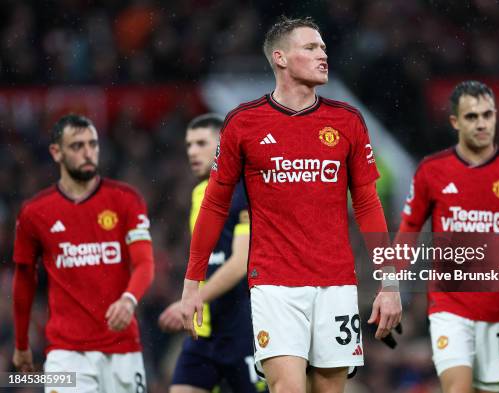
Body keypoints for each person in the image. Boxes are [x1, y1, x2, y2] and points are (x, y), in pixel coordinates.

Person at [180, 16, 402, 393]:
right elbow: (215, 206)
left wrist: (389, 278)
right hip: (274, 284)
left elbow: (366, 203)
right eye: (311, 48)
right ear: (280, 58)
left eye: (324, 48)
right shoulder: (244, 123)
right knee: (287, 388)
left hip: (336, 284)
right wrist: (191, 281)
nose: (323, 55)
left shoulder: (346, 121)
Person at [396, 80, 499, 393]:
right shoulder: (432, 171)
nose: (481, 123)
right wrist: (389, 283)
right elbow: (409, 230)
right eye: (471, 116)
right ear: (455, 121)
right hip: (448, 306)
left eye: (487, 115)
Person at [12, 114, 154, 393]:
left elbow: (145, 263)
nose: (88, 153)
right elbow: (24, 280)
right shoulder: (34, 212)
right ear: (56, 152)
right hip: (66, 354)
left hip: (122, 348)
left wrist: (128, 300)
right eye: (77, 146)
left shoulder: (125, 200)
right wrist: (20, 344)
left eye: (93, 144)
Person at [158, 114, 267, 393]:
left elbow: (241, 262)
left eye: (201, 143)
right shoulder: (198, 194)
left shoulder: (245, 189)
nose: (192, 151)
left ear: (223, 145)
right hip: (205, 330)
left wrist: (192, 300)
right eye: (189, 145)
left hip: (245, 325)